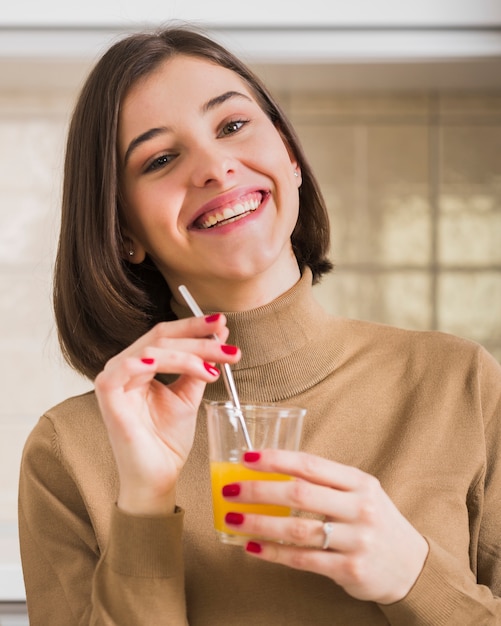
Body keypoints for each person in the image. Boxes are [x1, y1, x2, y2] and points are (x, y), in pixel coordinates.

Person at [18, 24, 501, 625]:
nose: (216, 167)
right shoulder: (68, 453)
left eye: (232, 126)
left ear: (291, 158)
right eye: (162, 158)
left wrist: (412, 573)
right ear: (125, 234)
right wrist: (144, 506)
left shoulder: (459, 383)